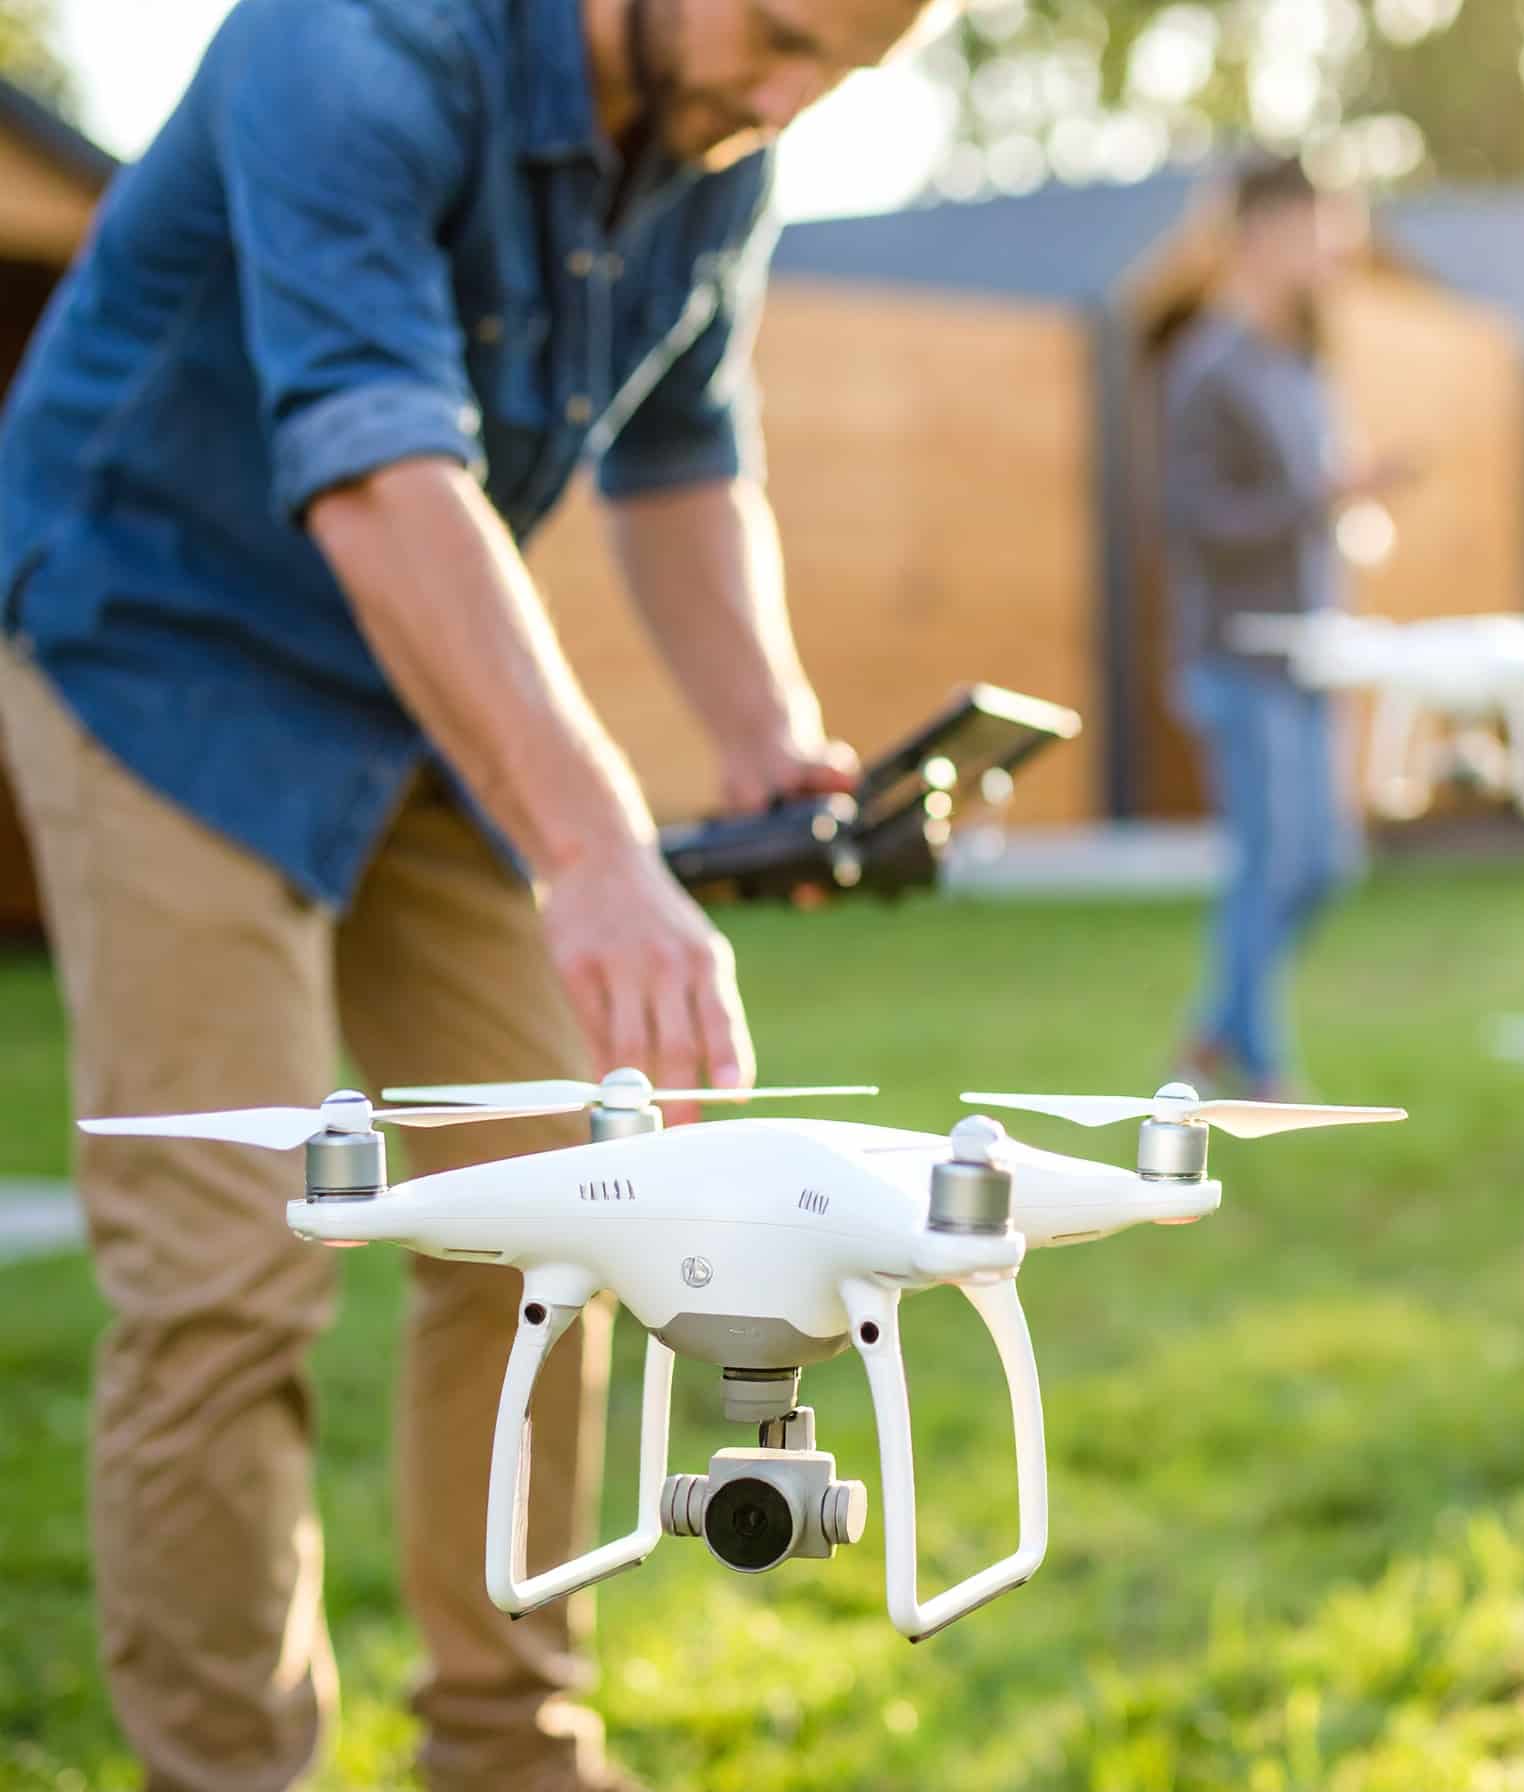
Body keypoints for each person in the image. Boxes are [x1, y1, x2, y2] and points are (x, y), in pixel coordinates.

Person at [0, 0, 938, 1785]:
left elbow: (685, 454)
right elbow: (374, 468)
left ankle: (509, 1748)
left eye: (845, 74)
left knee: (561, 1209)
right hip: (156, 643)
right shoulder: (353, 44)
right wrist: (592, 847)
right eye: (782, 35)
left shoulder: (718, 144)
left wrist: (767, 740)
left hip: (407, 679)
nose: (790, 98)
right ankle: (226, 1772)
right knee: (227, 1261)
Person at [1157, 154, 1414, 1102]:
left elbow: (1311, 500)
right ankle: (1261, 1068)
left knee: (1323, 866)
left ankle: (1211, 1031)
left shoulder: (1296, 362)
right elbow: (1192, 525)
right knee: (1271, 868)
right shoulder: (1207, 367)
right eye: (1321, 228)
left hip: (1313, 647)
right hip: (1239, 654)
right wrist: (1318, 496)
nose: (1336, 248)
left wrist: (1341, 498)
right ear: (1263, 232)